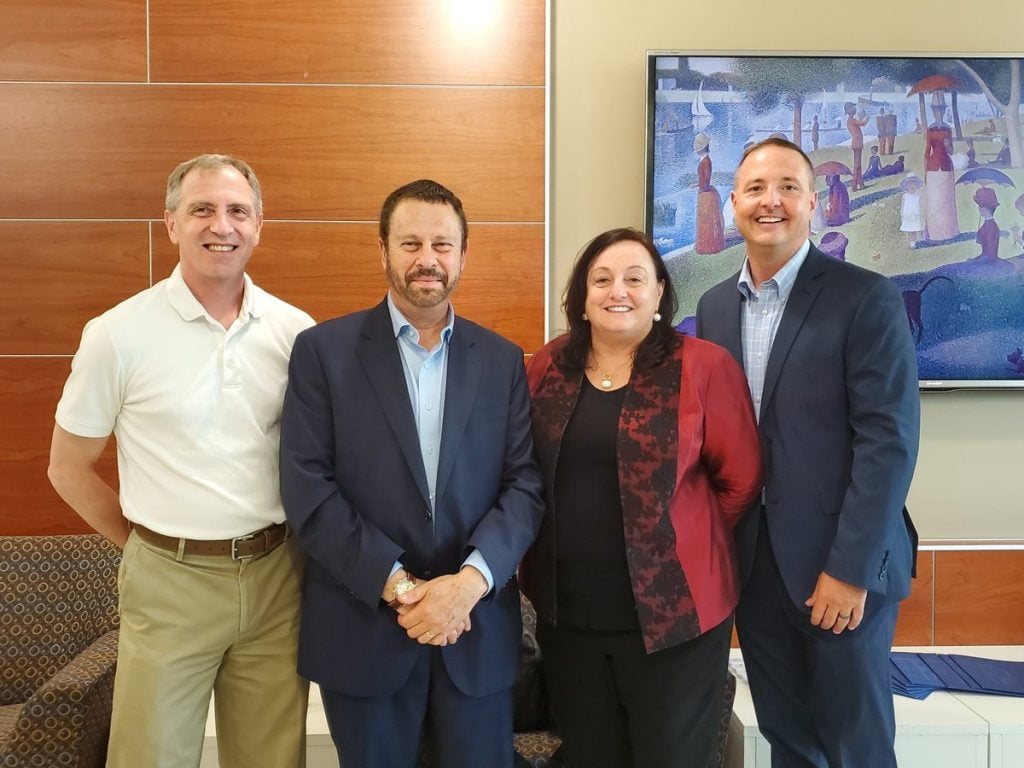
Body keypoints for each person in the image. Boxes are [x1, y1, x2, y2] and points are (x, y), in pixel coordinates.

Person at [47, 154, 314, 768]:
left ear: (258, 225)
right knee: (150, 757)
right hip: (168, 577)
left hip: (277, 575)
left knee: (273, 759)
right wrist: (142, 547)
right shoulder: (117, 334)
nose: (221, 224)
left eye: (237, 211)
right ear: (170, 224)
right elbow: (66, 467)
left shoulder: (296, 332)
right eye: (202, 209)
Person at [279, 179, 544, 768]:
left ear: (463, 256)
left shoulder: (501, 359)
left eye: (443, 245)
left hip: (473, 629)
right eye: (411, 243)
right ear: (383, 251)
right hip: (363, 628)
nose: (428, 259)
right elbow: (308, 490)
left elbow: (524, 486)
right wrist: (403, 591)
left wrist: (467, 586)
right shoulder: (322, 352)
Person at [696, 138, 921, 768]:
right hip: (757, 568)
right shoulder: (714, 307)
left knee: (857, 746)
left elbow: (888, 443)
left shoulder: (866, 297)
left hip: (843, 566)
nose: (772, 201)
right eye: (757, 189)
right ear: (734, 201)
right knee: (789, 740)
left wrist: (850, 570)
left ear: (814, 203)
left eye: (789, 187)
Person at [522, 227, 762, 768]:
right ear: (582, 298)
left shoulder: (703, 365)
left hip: (674, 617)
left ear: (659, 295)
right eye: (601, 279)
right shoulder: (547, 366)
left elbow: (741, 480)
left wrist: (673, 538)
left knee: (671, 756)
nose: (618, 291)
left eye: (635, 278)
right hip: (568, 614)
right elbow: (524, 473)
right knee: (589, 755)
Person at [923, 94, 960, 241]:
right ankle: (934, 233)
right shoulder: (930, 129)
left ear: (944, 111)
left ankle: (948, 232)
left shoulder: (948, 129)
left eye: (941, 110)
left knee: (946, 199)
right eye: (936, 110)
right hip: (932, 168)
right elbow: (926, 152)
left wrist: (947, 145)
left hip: (946, 167)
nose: (939, 112)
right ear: (933, 112)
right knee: (934, 200)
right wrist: (925, 172)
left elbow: (952, 151)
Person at [694, 132, 726, 253]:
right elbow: (704, 180)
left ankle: (709, 247)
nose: (696, 150)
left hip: (706, 194)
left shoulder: (706, 161)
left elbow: (706, 180)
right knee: (705, 221)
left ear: (702, 148)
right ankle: (706, 246)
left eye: (698, 147)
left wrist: (701, 187)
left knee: (707, 221)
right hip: (704, 192)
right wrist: (697, 185)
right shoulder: (703, 160)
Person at [844, 102, 870, 191]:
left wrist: (862, 117)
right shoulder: (851, 120)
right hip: (857, 143)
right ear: (850, 111)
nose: (855, 109)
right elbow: (863, 123)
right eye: (853, 108)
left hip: (857, 143)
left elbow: (859, 123)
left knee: (858, 165)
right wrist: (867, 116)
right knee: (857, 165)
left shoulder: (851, 120)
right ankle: (854, 185)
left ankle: (860, 183)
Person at [900, 172, 926, 248]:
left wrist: (921, 214)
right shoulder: (905, 196)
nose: (912, 186)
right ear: (906, 186)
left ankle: (914, 242)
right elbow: (903, 206)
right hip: (907, 215)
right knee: (909, 230)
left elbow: (921, 205)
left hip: (915, 214)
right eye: (910, 184)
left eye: (914, 184)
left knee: (914, 230)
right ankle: (911, 242)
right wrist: (902, 214)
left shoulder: (918, 196)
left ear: (917, 186)